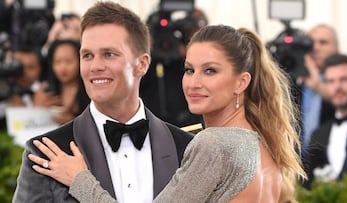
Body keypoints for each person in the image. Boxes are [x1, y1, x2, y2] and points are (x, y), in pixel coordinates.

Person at [27, 25, 306, 202]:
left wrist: (79, 179)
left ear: (241, 82)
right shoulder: (264, 143)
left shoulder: (215, 144)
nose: (194, 82)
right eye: (189, 69)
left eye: (210, 71)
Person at [12, 2, 193, 203]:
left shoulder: (187, 149)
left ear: (141, 64)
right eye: (87, 55)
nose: (95, 66)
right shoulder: (47, 152)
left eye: (109, 54)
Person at [302, 53, 347, 189]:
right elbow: (309, 185)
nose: (337, 87)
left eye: (344, 80)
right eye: (331, 81)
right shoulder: (318, 135)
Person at [298, 24, 337, 153]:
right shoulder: (294, 79)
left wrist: (318, 86)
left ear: (336, 48)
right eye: (311, 43)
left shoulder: (346, 76)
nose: (315, 48)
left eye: (323, 42)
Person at [45, 39, 90, 125]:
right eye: (57, 62)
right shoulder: (46, 90)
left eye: (69, 61)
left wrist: (73, 122)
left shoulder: (89, 90)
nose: (63, 67)